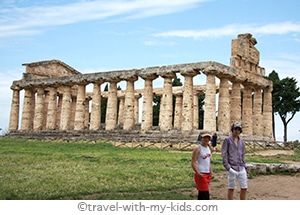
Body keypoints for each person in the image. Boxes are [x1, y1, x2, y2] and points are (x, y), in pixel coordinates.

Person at [221, 122, 247, 200]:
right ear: (233, 129)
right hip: (232, 167)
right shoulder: (227, 140)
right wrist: (228, 167)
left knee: (244, 188)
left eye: (239, 129)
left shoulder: (241, 141)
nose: (237, 131)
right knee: (231, 188)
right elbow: (224, 154)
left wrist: (244, 165)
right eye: (236, 129)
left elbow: (243, 153)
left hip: (241, 167)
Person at [191, 131, 214, 200]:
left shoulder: (208, 149)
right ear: (201, 138)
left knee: (201, 194)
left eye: (208, 137)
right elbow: (193, 162)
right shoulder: (197, 148)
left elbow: (208, 162)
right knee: (205, 195)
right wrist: (198, 173)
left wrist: (211, 172)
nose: (206, 139)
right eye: (204, 137)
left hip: (207, 174)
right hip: (201, 173)